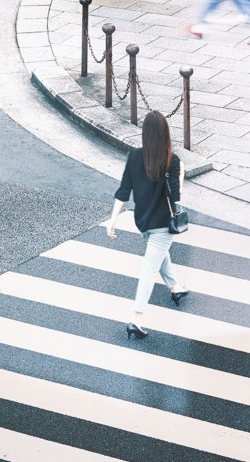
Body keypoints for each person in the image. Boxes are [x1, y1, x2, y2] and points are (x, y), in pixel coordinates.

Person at [106, 111, 188, 340]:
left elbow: (123, 192)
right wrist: (180, 175)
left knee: (159, 256)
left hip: (143, 222)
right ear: (165, 135)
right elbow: (175, 198)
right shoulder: (171, 160)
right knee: (149, 270)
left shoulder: (134, 157)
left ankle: (176, 289)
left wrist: (113, 219)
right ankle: (136, 319)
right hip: (163, 223)